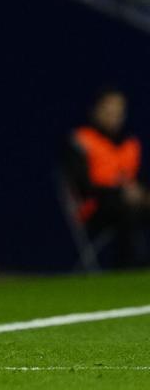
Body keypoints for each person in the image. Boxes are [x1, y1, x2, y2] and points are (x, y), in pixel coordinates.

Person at [64, 89, 150, 267]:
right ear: (96, 110)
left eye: (118, 112)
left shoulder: (130, 143)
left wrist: (142, 193)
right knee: (128, 211)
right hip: (95, 208)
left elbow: (140, 178)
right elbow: (81, 185)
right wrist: (119, 192)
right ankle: (129, 269)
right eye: (108, 111)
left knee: (136, 206)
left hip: (131, 203)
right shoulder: (80, 140)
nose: (114, 117)